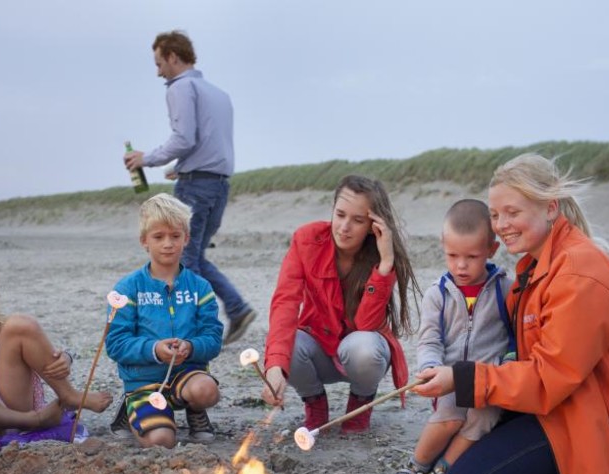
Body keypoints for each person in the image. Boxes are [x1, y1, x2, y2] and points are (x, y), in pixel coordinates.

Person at [412, 153, 609, 474]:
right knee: (461, 455)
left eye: (513, 212)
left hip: (602, 426)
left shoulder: (578, 275)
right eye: (495, 215)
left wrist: (461, 378)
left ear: (550, 208)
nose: (501, 224)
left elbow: (549, 377)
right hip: (564, 407)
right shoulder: (537, 266)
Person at [123, 30, 255, 345]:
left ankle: (195, 328)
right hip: (219, 184)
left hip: (196, 187)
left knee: (183, 260)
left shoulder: (180, 87)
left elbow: (184, 138)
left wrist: (147, 159)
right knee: (194, 256)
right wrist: (179, 168)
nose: (158, 72)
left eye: (159, 63)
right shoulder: (218, 93)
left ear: (173, 56)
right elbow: (208, 142)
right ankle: (236, 308)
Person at [261, 175, 421, 433]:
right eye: (340, 214)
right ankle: (315, 403)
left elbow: (366, 325)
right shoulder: (307, 239)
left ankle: (360, 403)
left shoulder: (379, 254)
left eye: (357, 220)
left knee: (363, 346)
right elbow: (285, 302)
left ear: (373, 225)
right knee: (285, 347)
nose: (345, 227)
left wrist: (385, 265)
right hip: (319, 348)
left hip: (361, 354)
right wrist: (275, 367)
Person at [392, 200, 514, 474]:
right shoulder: (438, 295)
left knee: (482, 419)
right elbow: (430, 338)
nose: (461, 265)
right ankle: (417, 466)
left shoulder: (505, 290)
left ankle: (443, 470)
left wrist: (507, 362)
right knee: (448, 417)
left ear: (491, 250)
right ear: (443, 246)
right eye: (452, 255)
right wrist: (431, 365)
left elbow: (516, 337)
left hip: (488, 381)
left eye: (472, 257)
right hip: (448, 378)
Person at [0, 247, 113, 445]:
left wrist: (66, 358)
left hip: (8, 410)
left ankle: (68, 394)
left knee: (20, 324)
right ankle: (34, 421)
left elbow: (35, 349)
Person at [105, 193, 223, 449]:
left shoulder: (200, 287)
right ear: (144, 241)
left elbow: (213, 339)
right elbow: (115, 344)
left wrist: (191, 347)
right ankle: (131, 407)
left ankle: (195, 409)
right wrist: (154, 349)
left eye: (175, 236)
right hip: (143, 383)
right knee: (162, 441)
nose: (168, 244)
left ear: (187, 238)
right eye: (159, 237)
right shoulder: (128, 288)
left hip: (187, 375)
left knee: (206, 390)